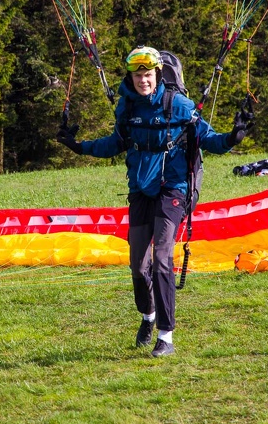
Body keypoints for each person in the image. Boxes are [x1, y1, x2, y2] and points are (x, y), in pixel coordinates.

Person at [56, 46, 249, 358]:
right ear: (130, 77)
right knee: (137, 265)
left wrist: (232, 138)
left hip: (173, 190)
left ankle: (166, 337)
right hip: (141, 190)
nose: (142, 81)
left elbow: (209, 139)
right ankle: (148, 317)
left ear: (158, 75)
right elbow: (114, 144)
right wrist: (79, 147)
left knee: (161, 257)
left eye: (147, 75)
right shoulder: (128, 109)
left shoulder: (179, 106)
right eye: (137, 75)